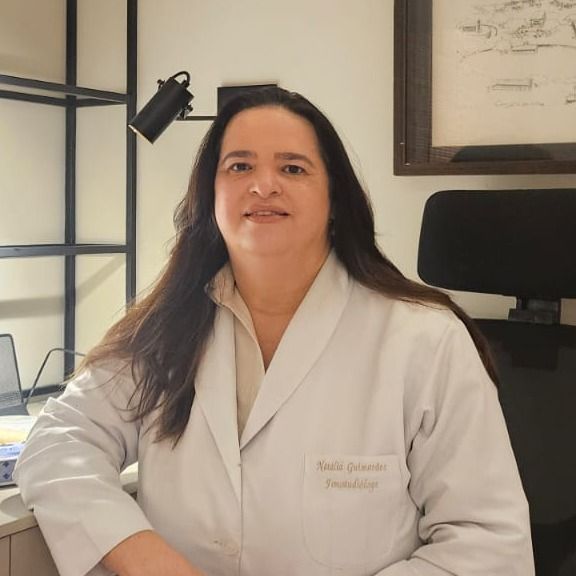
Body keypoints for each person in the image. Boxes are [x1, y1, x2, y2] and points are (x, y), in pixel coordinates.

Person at [14, 87, 534, 576]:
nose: (263, 185)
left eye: (293, 168)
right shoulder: (167, 327)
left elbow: (488, 544)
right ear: (210, 196)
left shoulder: (424, 339)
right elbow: (58, 441)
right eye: (239, 166)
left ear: (335, 199)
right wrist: (154, 562)